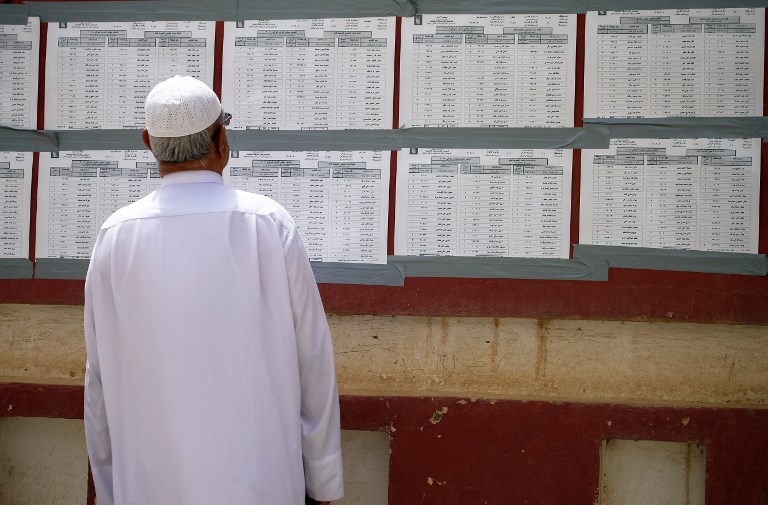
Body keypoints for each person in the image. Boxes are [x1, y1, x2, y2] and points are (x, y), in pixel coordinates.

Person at [83, 75, 343, 505]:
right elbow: (312, 360)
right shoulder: (268, 224)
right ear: (222, 140)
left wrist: (112, 487)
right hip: (262, 486)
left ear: (149, 143)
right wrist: (323, 480)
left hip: (150, 488)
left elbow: (100, 382)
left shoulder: (115, 236)